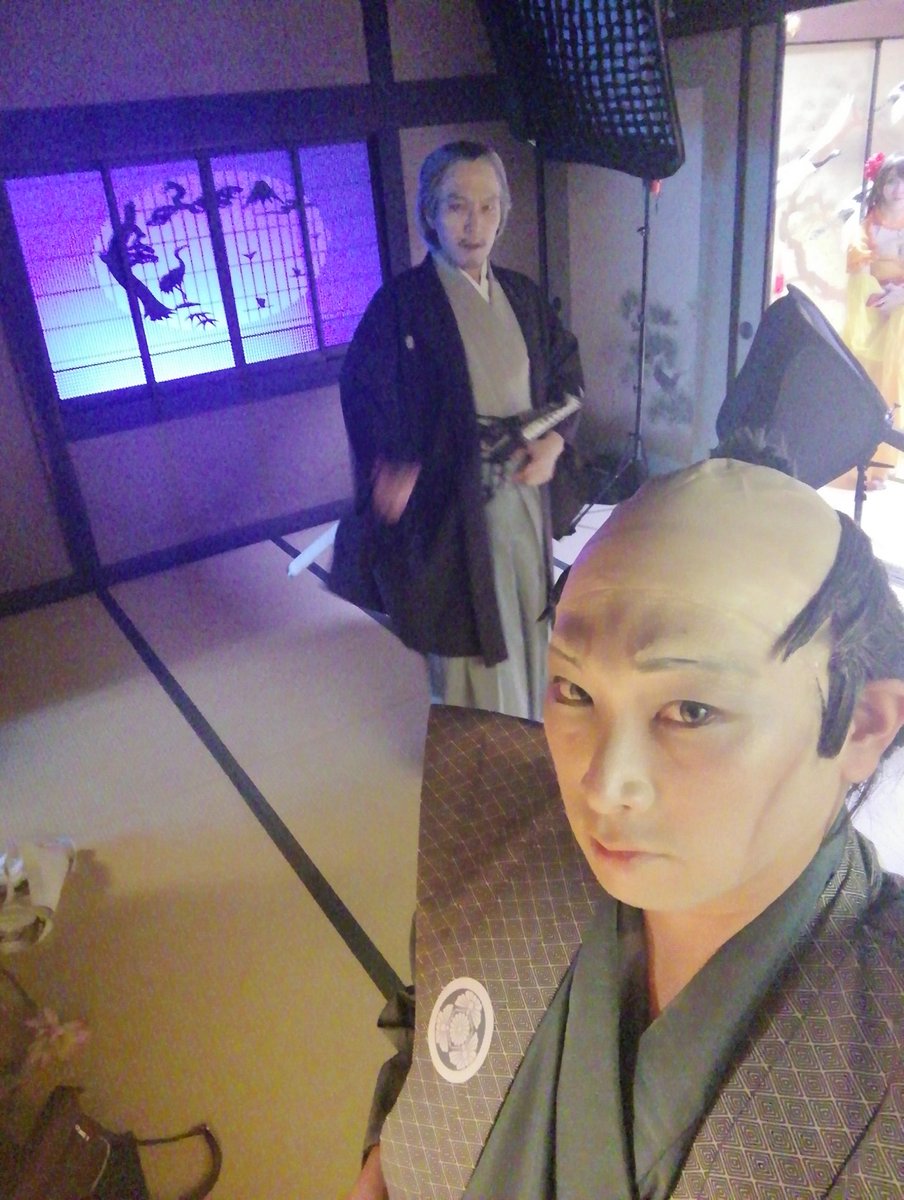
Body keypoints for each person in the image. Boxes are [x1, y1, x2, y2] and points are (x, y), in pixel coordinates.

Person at [345, 450, 904, 1199]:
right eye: (574, 690)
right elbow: (432, 1018)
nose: (602, 786)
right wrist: (386, 1158)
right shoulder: (503, 838)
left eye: (690, 710)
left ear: (863, 724)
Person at [329, 141, 584, 721]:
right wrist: (389, 466)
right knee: (469, 637)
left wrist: (555, 441)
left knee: (529, 616)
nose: (475, 224)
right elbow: (366, 393)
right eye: (456, 206)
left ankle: (530, 730)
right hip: (452, 505)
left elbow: (567, 377)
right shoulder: (401, 304)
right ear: (430, 212)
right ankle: (479, 755)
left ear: (503, 212)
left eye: (489, 206)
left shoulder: (522, 295)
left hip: (523, 493)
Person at [842, 151, 904, 485]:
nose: (899, 189)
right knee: (868, 384)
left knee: (894, 382)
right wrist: (884, 298)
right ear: (880, 185)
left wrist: (900, 297)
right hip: (873, 311)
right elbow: (861, 277)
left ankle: (885, 463)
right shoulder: (865, 227)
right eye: (892, 181)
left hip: (901, 315)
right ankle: (862, 460)